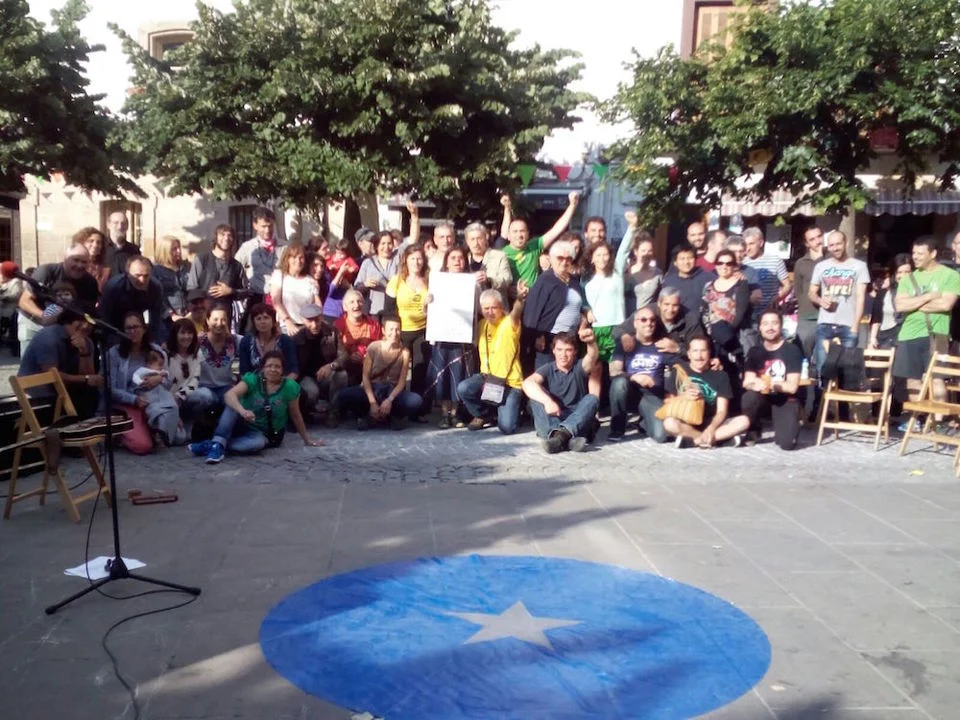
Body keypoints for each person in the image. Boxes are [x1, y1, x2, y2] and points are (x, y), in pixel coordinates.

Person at [188, 350, 320, 463]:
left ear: (282, 370)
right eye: (269, 366)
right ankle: (217, 444)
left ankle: (215, 444)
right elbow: (229, 395)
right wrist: (243, 411)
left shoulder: (289, 387)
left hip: (264, 434)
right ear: (263, 368)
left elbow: (295, 414)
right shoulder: (253, 380)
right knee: (232, 404)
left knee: (256, 445)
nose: (273, 369)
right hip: (242, 424)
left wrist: (306, 439)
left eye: (277, 367)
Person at [893, 236, 960, 401]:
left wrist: (913, 304)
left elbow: (946, 304)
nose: (915, 257)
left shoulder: (950, 275)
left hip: (938, 335)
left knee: (937, 378)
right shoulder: (908, 278)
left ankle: (938, 416)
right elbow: (900, 306)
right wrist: (928, 296)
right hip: (908, 335)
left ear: (933, 254)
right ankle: (918, 415)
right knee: (912, 380)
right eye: (914, 253)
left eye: (920, 253)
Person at [458, 282, 529, 435]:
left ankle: (511, 410)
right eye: (486, 308)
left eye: (494, 308)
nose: (490, 312)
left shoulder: (510, 323)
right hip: (488, 379)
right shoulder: (481, 324)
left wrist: (520, 299)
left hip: (509, 383)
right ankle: (484, 415)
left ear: (501, 307)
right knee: (463, 388)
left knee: (507, 427)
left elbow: (516, 312)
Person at [337, 315, 424, 430]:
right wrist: (372, 402)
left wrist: (389, 400)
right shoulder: (374, 347)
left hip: (391, 391)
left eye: (397, 329)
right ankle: (365, 415)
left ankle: (394, 416)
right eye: (391, 329)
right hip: (373, 388)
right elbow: (365, 377)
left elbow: (402, 382)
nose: (394, 333)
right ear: (383, 331)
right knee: (344, 395)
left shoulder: (404, 352)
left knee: (416, 400)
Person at [522, 327, 601, 453]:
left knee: (592, 399)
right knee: (534, 399)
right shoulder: (548, 368)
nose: (563, 355)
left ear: (575, 351)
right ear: (553, 351)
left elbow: (592, 356)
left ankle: (559, 438)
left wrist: (591, 342)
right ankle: (567, 439)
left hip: (577, 419)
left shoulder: (579, 366)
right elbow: (527, 383)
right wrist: (547, 402)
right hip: (555, 418)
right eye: (559, 350)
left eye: (568, 350)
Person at [662, 336, 750, 448]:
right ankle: (717, 440)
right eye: (695, 351)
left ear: (709, 353)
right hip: (688, 421)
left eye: (703, 351)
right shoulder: (679, 371)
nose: (699, 356)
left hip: (713, 421)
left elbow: (722, 410)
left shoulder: (721, 375)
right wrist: (683, 397)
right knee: (669, 423)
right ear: (689, 354)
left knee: (744, 421)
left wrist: (711, 428)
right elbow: (667, 401)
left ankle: (694, 441)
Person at [16, 308, 100, 419]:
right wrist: (86, 379)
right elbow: (51, 377)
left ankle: (88, 426)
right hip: (40, 393)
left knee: (92, 393)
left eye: (90, 323)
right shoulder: (48, 337)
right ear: (69, 320)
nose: (85, 326)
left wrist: (84, 352)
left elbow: (89, 376)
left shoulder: (87, 342)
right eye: (80, 321)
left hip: (65, 392)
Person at [425, 247, 476, 428]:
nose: (457, 261)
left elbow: (479, 309)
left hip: (463, 338)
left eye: (460, 258)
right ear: (446, 261)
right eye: (453, 258)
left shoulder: (472, 282)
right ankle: (444, 414)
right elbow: (427, 312)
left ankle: (455, 414)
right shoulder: (437, 282)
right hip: (442, 336)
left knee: (459, 374)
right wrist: (426, 302)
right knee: (444, 375)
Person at [808, 230, 870, 376]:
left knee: (847, 371)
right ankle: (823, 391)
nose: (835, 248)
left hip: (848, 324)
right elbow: (811, 293)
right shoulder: (821, 266)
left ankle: (842, 392)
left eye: (838, 244)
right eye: (831, 245)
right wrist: (820, 300)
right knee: (823, 368)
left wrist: (855, 326)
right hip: (825, 323)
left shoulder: (859, 266)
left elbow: (861, 297)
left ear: (846, 244)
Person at [741, 310, 803, 450]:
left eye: (774, 323)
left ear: (781, 326)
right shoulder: (754, 351)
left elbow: (792, 386)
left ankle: (790, 425)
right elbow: (747, 382)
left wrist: (770, 384)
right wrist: (755, 384)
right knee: (748, 397)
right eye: (766, 324)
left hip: (785, 399)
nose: (770, 328)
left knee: (786, 444)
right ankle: (754, 429)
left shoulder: (792, 350)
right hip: (762, 398)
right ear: (760, 327)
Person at [521, 239, 586, 372]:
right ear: (551, 259)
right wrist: (537, 335)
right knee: (546, 375)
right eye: (560, 258)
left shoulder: (574, 282)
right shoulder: (545, 280)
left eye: (568, 258)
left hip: (570, 339)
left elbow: (579, 307)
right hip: (548, 339)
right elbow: (532, 311)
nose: (564, 262)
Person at [106, 311, 166, 455]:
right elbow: (110, 388)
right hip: (127, 404)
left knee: (178, 437)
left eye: (136, 327)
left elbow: (169, 382)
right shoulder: (114, 354)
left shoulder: (156, 351)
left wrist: (159, 379)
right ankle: (120, 433)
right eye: (128, 328)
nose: (132, 331)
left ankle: (149, 428)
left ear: (144, 329)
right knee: (143, 446)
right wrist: (134, 399)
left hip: (154, 401)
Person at [17, 245, 99, 350]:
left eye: (84, 262)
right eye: (76, 260)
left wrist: (82, 332)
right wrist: (44, 316)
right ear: (65, 258)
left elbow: (89, 313)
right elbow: (24, 301)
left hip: (63, 327)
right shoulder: (46, 271)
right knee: (32, 359)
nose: (79, 265)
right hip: (34, 323)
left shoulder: (90, 282)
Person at [608, 305, 667, 443]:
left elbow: (678, 365)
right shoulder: (625, 344)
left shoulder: (662, 345)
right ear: (635, 323)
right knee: (619, 383)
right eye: (644, 320)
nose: (649, 323)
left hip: (652, 396)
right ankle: (617, 428)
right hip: (629, 394)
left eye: (652, 320)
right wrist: (634, 376)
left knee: (661, 436)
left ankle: (643, 423)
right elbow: (613, 372)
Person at [500, 192, 580, 287]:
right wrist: (507, 208)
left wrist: (572, 206)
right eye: (515, 231)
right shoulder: (502, 253)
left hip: (533, 294)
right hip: (511, 295)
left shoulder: (534, 246)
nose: (519, 235)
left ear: (528, 234)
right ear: (508, 236)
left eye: (522, 231)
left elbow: (556, 230)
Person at [386, 245, 431, 407]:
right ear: (405, 260)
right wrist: (393, 332)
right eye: (412, 258)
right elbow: (389, 308)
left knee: (420, 368)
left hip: (422, 330)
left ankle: (417, 407)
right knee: (398, 369)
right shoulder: (396, 280)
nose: (416, 262)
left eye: (419, 258)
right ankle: (396, 405)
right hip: (401, 331)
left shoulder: (430, 280)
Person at [295, 304, 346, 424]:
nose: (314, 325)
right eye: (310, 321)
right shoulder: (296, 338)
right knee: (312, 392)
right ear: (303, 320)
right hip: (306, 377)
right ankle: (307, 411)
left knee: (342, 375)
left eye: (317, 320)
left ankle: (334, 412)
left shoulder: (332, 332)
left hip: (327, 374)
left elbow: (344, 356)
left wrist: (331, 366)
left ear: (322, 318)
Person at [701, 248, 751, 367]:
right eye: (720, 263)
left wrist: (725, 334)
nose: (724, 266)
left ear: (734, 266)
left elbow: (740, 314)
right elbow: (704, 311)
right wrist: (710, 333)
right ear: (715, 265)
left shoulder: (741, 285)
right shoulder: (708, 286)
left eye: (729, 263)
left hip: (732, 337)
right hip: (711, 336)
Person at [236, 206, 285, 327]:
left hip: (279, 299)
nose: (267, 230)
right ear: (255, 225)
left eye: (270, 226)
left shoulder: (284, 247)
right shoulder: (247, 247)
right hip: (255, 298)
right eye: (263, 226)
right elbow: (235, 268)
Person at [100, 256, 168, 343]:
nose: (142, 280)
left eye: (146, 276)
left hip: (139, 326)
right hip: (115, 326)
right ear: (128, 274)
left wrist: (153, 343)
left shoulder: (155, 287)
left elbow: (156, 320)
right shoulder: (114, 288)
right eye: (137, 275)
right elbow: (105, 318)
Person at [132, 348, 188, 446]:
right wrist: (141, 382)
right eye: (159, 364)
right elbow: (135, 378)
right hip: (152, 401)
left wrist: (161, 378)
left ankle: (166, 435)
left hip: (166, 399)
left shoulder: (162, 374)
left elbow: (168, 383)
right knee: (159, 415)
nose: (161, 367)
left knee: (180, 436)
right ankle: (160, 433)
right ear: (149, 364)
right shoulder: (143, 372)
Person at [190, 305, 240, 413]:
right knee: (204, 396)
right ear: (208, 321)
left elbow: (254, 341)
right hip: (204, 389)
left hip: (227, 388)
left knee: (235, 399)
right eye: (215, 319)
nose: (219, 323)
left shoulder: (236, 341)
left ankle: (222, 425)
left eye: (223, 320)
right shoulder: (198, 342)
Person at [583, 240, 627, 364]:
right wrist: (587, 310)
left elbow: (624, 250)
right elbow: (582, 303)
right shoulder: (586, 282)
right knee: (597, 368)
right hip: (598, 328)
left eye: (605, 254)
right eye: (598, 255)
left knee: (617, 366)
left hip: (617, 326)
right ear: (592, 259)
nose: (602, 258)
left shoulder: (617, 274)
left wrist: (632, 230)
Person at [270, 242, 322, 335]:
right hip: (286, 327)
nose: (298, 261)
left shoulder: (309, 279)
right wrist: (288, 321)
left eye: (301, 257)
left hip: (307, 327)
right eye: (294, 257)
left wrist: (316, 322)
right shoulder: (279, 275)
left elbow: (317, 304)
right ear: (287, 259)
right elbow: (276, 302)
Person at [742, 227, 792, 322]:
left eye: (751, 244)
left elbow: (787, 285)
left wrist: (777, 298)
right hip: (748, 316)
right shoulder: (742, 263)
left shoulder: (775, 261)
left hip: (770, 315)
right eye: (745, 244)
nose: (748, 248)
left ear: (761, 243)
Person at [335, 288, 383, 386]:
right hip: (346, 367)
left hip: (370, 365)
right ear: (345, 307)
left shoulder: (374, 324)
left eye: (359, 301)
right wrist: (348, 357)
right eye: (352, 302)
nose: (356, 305)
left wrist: (367, 356)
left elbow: (381, 347)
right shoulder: (338, 325)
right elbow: (334, 353)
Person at [187, 224, 246, 303]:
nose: (226, 238)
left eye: (229, 235)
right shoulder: (201, 259)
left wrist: (231, 291)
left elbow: (244, 292)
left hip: (226, 309)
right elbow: (191, 287)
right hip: (204, 308)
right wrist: (203, 299)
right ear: (216, 237)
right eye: (222, 234)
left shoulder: (237, 266)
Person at [792, 225, 826, 363]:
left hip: (827, 315)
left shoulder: (831, 259)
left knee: (823, 355)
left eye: (819, 236)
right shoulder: (801, 263)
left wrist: (821, 258)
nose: (817, 241)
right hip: (807, 315)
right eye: (812, 239)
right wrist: (804, 306)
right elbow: (798, 289)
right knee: (803, 349)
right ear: (807, 244)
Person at [238, 302, 298, 377]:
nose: (262, 322)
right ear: (254, 323)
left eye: (266, 318)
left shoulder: (285, 340)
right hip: (253, 382)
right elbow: (243, 372)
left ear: (273, 321)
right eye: (258, 319)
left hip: (280, 381)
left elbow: (294, 371)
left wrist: (285, 383)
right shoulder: (246, 341)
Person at [620, 218, 662, 316]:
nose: (647, 254)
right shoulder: (627, 272)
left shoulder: (658, 273)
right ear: (636, 251)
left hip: (648, 319)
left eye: (650, 251)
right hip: (629, 318)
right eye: (643, 251)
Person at [870, 254, 912, 350]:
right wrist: (872, 339)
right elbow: (876, 318)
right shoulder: (884, 292)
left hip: (906, 338)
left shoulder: (916, 293)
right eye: (899, 272)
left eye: (907, 272)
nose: (903, 276)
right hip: (885, 338)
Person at [464, 222, 512, 303]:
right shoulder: (463, 259)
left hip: (494, 305)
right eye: (472, 239)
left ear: (486, 238)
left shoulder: (499, 256)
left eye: (479, 238)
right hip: (470, 305)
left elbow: (507, 280)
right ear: (467, 242)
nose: (476, 243)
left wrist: (489, 280)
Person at [152, 235, 190, 336]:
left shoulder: (185, 267)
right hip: (166, 319)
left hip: (186, 315)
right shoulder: (156, 271)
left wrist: (191, 310)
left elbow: (192, 289)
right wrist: (171, 315)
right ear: (165, 251)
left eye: (179, 248)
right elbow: (156, 296)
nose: (179, 251)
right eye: (174, 249)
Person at [662, 243, 714, 316]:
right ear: (675, 263)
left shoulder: (708, 278)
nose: (686, 262)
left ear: (695, 259)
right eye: (682, 259)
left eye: (690, 258)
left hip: (700, 321)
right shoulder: (669, 281)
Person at [354, 231, 398, 315]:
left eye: (389, 243)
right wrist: (365, 284)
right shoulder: (367, 263)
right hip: (373, 310)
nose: (386, 247)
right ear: (377, 245)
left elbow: (411, 240)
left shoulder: (397, 259)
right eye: (383, 243)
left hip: (394, 310)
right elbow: (356, 288)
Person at [165, 318, 203, 411]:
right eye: (182, 333)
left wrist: (179, 397)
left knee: (205, 396)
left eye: (189, 333)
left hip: (187, 397)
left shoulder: (197, 354)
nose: (186, 336)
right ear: (175, 335)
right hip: (168, 400)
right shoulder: (166, 355)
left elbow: (195, 380)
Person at [321, 237, 361, 322]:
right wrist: (331, 266)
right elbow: (328, 264)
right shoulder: (333, 258)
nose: (338, 256)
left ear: (346, 253)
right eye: (337, 253)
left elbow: (355, 268)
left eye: (341, 254)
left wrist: (349, 269)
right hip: (335, 280)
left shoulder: (348, 260)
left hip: (345, 282)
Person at [103, 211, 141, 276]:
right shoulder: (101, 247)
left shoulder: (134, 250)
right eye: (116, 223)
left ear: (127, 226)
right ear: (108, 225)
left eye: (123, 223)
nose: (120, 227)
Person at [73, 226, 111, 291]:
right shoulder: (73, 265)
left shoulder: (105, 269)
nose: (95, 245)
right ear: (82, 243)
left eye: (99, 242)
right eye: (91, 241)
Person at [0, 263, 22, 355]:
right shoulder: (4, 282)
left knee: (10, 328)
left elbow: (16, 294)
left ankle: (13, 347)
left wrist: (3, 296)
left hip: (10, 309)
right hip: (3, 309)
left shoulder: (15, 281)